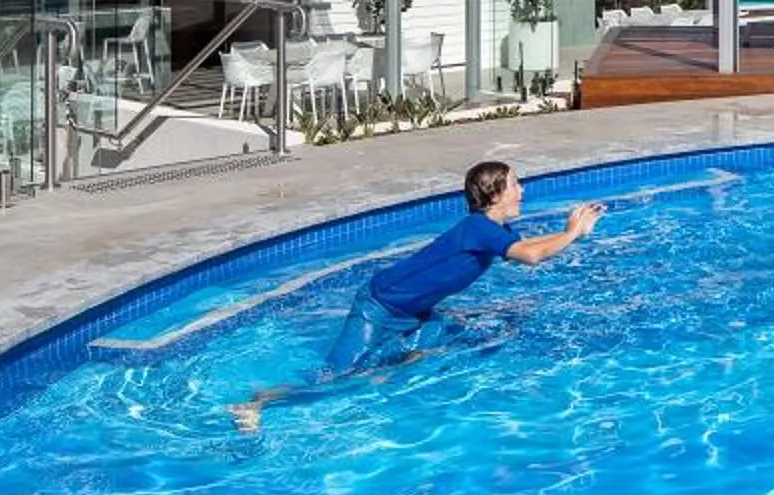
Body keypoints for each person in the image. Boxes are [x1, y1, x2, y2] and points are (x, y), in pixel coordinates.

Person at [230, 160, 602, 432]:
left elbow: (526, 245)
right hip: (378, 306)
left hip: (416, 311)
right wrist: (572, 232)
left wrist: (568, 233)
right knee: (332, 380)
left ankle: (382, 375)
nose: (523, 190)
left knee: (440, 343)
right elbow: (531, 256)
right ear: (495, 194)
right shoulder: (479, 227)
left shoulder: (493, 229)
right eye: (516, 184)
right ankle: (259, 401)